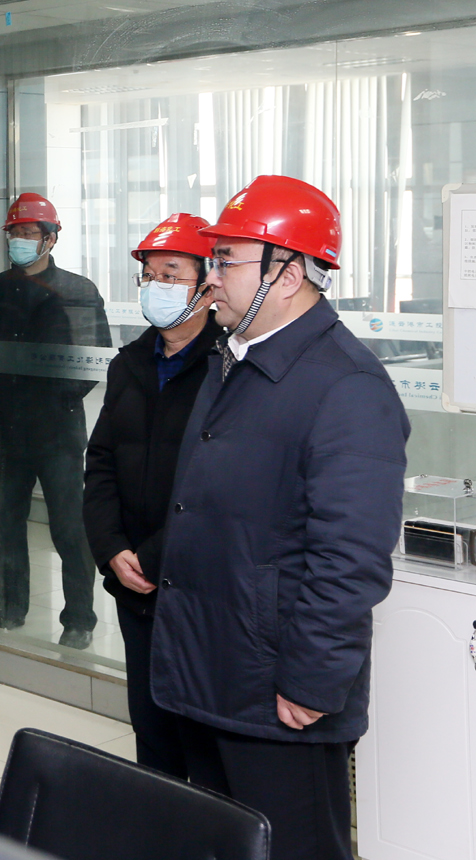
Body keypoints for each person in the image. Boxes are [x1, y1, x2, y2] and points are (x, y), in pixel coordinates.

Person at [151, 175, 409, 860]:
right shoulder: (234, 360)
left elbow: (350, 556)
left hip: (278, 693)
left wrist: (313, 680)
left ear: (287, 274)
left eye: (225, 260)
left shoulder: (347, 385)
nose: (211, 278)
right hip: (210, 671)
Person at [82, 214, 220, 778]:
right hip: (134, 583)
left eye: (171, 274)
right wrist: (111, 547)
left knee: (202, 741)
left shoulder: (229, 368)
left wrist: (152, 555)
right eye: (148, 275)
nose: (156, 286)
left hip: (197, 585)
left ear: (208, 284)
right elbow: (101, 463)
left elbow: (220, 488)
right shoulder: (129, 364)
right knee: (151, 727)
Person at [0, 192, 111, 649]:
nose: (20, 240)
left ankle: (79, 619)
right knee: (7, 524)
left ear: (50, 239)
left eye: (29, 233)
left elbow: (92, 360)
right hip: (5, 428)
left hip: (56, 431)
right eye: (15, 233)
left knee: (69, 528)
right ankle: (9, 609)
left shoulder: (77, 290)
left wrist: (55, 402)